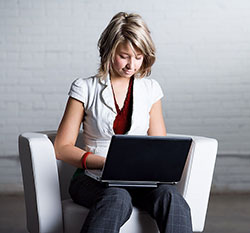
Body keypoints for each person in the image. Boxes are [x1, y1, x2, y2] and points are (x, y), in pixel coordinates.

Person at [54, 12, 193, 233]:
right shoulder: (84, 88)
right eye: (124, 56)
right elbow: (61, 148)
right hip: (92, 178)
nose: (132, 65)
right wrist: (104, 163)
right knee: (117, 197)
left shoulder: (151, 90)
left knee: (171, 198)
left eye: (138, 57)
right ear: (109, 52)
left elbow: (159, 144)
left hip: (139, 179)